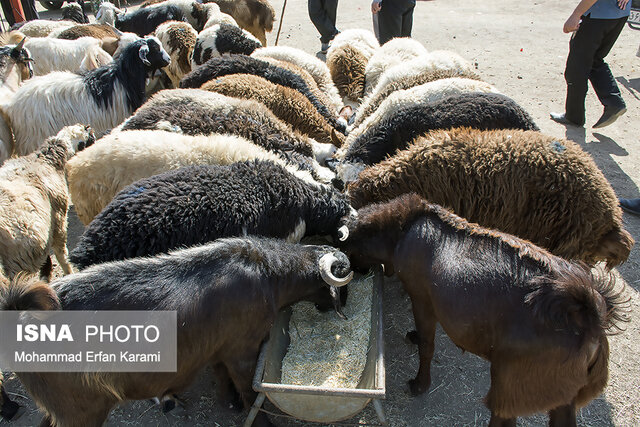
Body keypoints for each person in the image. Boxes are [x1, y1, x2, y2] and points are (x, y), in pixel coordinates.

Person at [551, 0, 630, 128]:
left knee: (577, 66)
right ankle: (614, 102)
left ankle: (573, 116)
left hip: (595, 15)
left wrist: (576, 15)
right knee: (594, 59)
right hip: (619, 14)